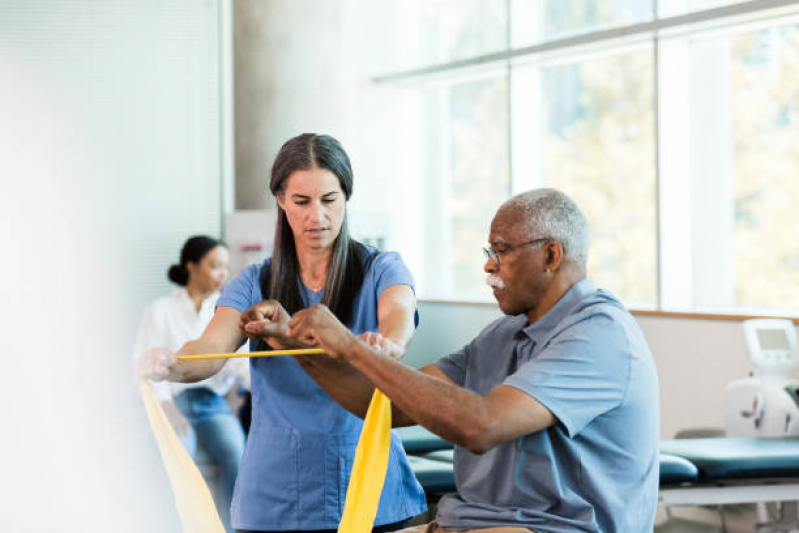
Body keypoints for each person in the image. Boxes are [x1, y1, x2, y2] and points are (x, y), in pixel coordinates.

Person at [280, 188, 661, 532]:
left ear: (550, 254)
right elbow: (382, 403)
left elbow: (481, 426)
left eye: (502, 251)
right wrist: (289, 343)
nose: (489, 266)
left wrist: (352, 347)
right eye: (488, 252)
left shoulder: (600, 333)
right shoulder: (503, 333)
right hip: (465, 523)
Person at [138, 133, 426, 532]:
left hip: (371, 488)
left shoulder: (382, 268)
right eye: (301, 202)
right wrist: (172, 364)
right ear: (280, 199)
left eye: (329, 200)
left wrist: (388, 344)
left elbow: (397, 311)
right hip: (276, 496)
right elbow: (210, 347)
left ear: (346, 197)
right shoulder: (253, 282)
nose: (316, 217)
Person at [133, 235, 247, 533]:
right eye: (215, 266)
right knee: (178, 457)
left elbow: (239, 363)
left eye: (226, 267)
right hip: (172, 402)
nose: (223, 274)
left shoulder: (223, 313)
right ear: (192, 266)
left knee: (237, 450)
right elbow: (144, 366)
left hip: (212, 403)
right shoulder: (159, 310)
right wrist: (169, 409)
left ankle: (231, 528)